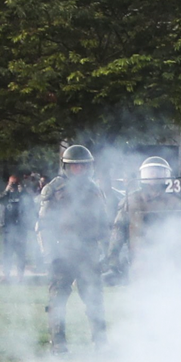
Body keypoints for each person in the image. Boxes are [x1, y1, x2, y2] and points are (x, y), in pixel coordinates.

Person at [38, 145, 117, 348]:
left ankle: (100, 341)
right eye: (75, 167)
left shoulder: (94, 189)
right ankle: (58, 343)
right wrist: (49, 255)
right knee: (58, 300)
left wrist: (106, 252)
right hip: (62, 250)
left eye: (83, 166)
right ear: (66, 167)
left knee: (95, 299)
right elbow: (44, 226)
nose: (79, 170)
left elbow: (104, 223)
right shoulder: (53, 189)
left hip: (89, 251)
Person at [119, 155, 181, 268]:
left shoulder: (175, 202)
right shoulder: (131, 200)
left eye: (158, 172)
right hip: (139, 258)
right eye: (151, 172)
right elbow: (118, 228)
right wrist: (113, 256)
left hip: (168, 259)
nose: (154, 175)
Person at [0, 174, 34, 281]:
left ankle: (20, 276)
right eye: (11, 183)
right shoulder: (7, 195)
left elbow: (30, 204)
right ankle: (6, 274)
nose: (13, 185)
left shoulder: (23, 195)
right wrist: (7, 189)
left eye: (15, 183)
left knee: (20, 253)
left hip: (20, 228)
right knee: (7, 253)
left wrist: (23, 191)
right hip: (8, 228)